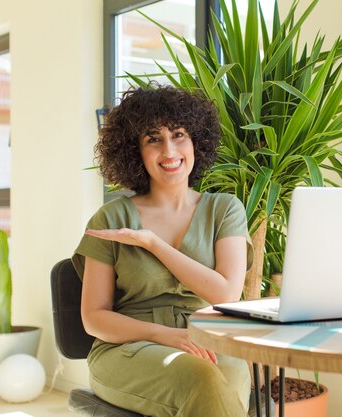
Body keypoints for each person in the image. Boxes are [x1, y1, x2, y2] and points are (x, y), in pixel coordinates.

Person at [72, 85, 253, 417]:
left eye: (179, 135)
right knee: (200, 378)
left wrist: (153, 244)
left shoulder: (224, 209)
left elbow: (226, 293)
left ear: (196, 140)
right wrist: (166, 335)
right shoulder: (111, 217)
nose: (169, 150)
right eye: (153, 139)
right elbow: (93, 317)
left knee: (227, 373)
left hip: (209, 340)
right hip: (128, 349)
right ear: (135, 152)